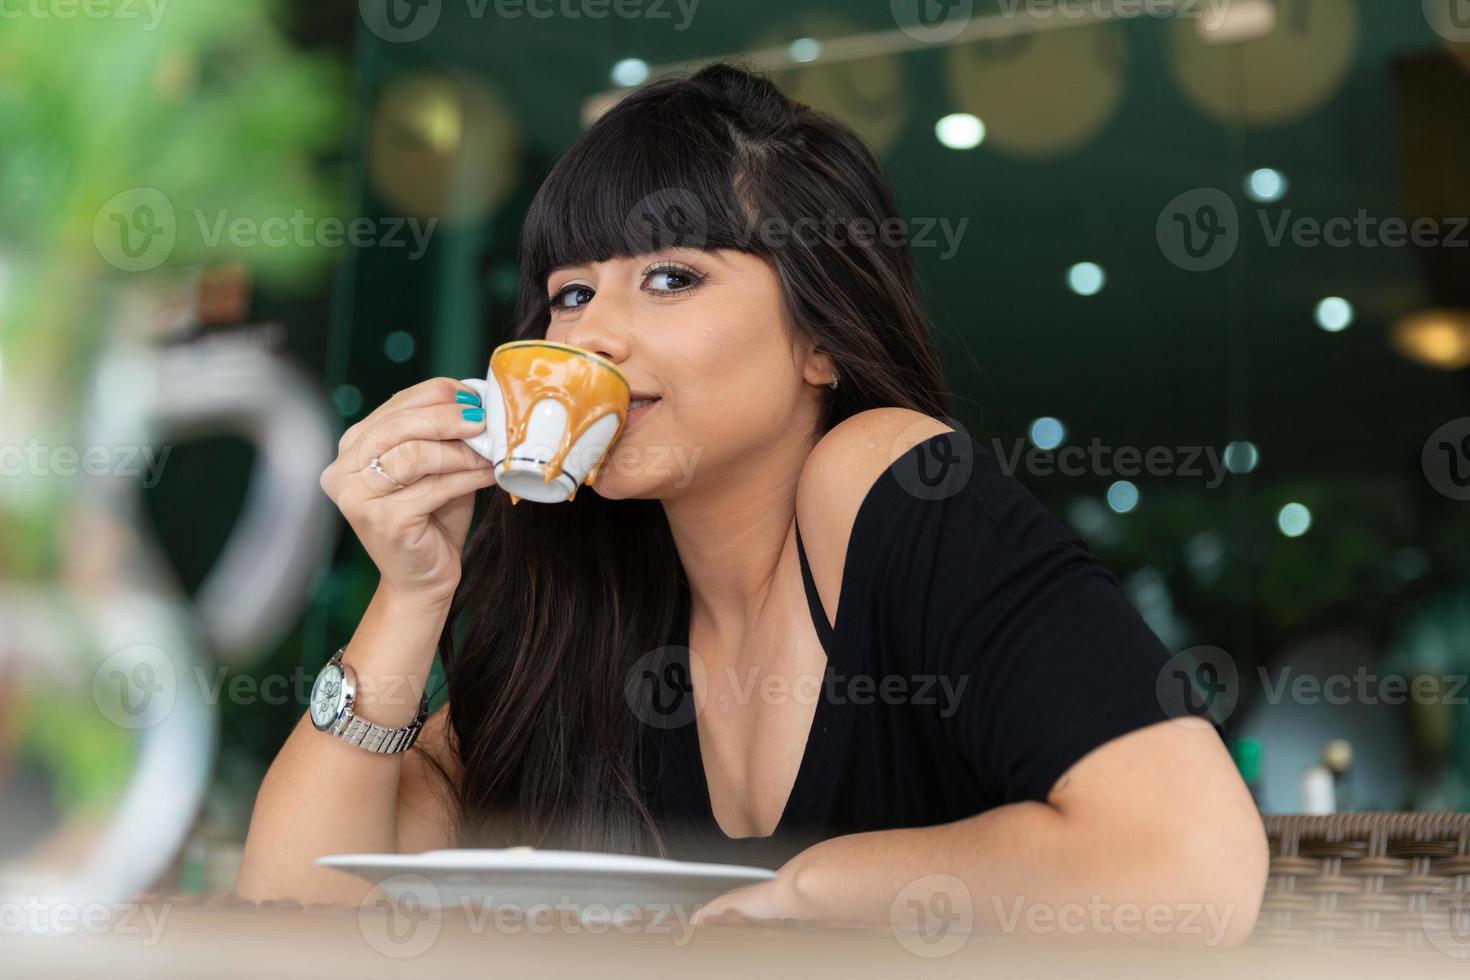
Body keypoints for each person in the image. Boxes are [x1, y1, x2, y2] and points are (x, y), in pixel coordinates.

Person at [238, 61, 1267, 942]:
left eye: (672, 278)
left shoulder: (878, 475)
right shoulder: (586, 595)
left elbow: (1191, 862)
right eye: (573, 291)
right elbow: (296, 911)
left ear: (821, 338)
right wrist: (411, 594)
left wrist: (808, 891)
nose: (592, 336)